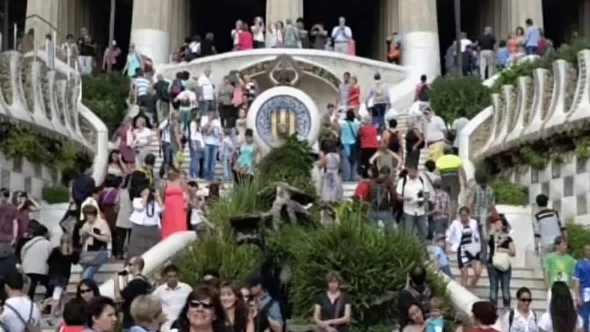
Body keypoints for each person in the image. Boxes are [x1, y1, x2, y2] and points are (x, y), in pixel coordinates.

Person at [447, 207, 482, 289]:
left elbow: (476, 235)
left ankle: (470, 286)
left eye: (465, 215)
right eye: (462, 216)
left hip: (473, 248)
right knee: (464, 274)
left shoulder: (474, 222)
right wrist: (448, 245)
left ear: (468, 215)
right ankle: (464, 291)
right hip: (462, 249)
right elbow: (449, 233)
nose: (464, 218)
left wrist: (478, 247)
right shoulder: (455, 223)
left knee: (477, 272)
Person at [116, 257, 153, 330]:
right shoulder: (144, 281)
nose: (128, 267)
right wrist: (125, 281)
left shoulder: (135, 283)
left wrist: (116, 280)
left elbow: (118, 297)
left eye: (130, 264)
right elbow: (128, 295)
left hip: (131, 322)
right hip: (140, 321)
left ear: (137, 266)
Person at [152, 264, 193, 331]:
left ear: (178, 276)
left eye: (175, 276)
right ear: (165, 277)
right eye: (169, 276)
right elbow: (150, 305)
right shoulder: (159, 291)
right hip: (167, 325)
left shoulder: (187, 288)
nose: (172, 278)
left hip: (184, 323)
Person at [487, 217, 516, 309]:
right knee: (493, 288)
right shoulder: (491, 237)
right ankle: (493, 308)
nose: (497, 225)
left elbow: (513, 252)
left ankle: (507, 308)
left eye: (499, 223)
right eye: (496, 223)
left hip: (505, 265)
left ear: (503, 226)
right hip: (492, 265)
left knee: (505, 289)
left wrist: (503, 249)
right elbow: (485, 237)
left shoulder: (508, 238)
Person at [20, 223, 53, 300]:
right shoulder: (48, 244)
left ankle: (29, 302)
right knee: (50, 286)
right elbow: (51, 258)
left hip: (27, 270)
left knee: (30, 287)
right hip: (41, 271)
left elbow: (22, 256)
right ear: (45, 234)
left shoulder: (27, 244)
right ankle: (46, 302)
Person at [128, 187, 163, 258]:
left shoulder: (155, 203)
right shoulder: (137, 200)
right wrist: (146, 195)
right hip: (139, 229)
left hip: (153, 230)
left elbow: (162, 209)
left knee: (153, 251)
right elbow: (140, 207)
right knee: (135, 251)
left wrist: (157, 196)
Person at [79, 205, 111, 280]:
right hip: (87, 253)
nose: (88, 217)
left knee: (87, 274)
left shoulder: (102, 223)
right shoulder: (85, 225)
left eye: (90, 215)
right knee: (84, 274)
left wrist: (92, 234)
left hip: (99, 251)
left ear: (94, 214)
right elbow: (81, 242)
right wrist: (83, 236)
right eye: (86, 215)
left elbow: (107, 239)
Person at [543, 235, 576, 309]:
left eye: (566, 245)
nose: (565, 247)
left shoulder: (570, 260)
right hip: (553, 288)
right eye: (563, 244)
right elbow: (546, 272)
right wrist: (548, 287)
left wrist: (571, 288)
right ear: (557, 246)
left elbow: (572, 275)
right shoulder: (549, 257)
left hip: (566, 289)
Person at [396, 165, 428, 240]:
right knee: (409, 232)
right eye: (410, 171)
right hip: (408, 211)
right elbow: (398, 196)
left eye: (413, 171)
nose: (411, 173)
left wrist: (424, 197)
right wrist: (405, 198)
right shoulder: (403, 181)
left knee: (423, 232)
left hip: (420, 211)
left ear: (417, 171)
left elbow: (427, 193)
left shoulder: (422, 180)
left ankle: (421, 247)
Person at [534, 194, 566, 258]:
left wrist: (536, 247)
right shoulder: (556, 213)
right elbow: (563, 228)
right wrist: (565, 242)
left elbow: (537, 234)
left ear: (537, 203)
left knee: (546, 265)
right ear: (547, 202)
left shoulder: (537, 217)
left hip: (546, 244)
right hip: (558, 243)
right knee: (558, 264)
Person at [366, 165, 396, 231]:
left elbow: (368, 195)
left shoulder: (372, 181)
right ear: (388, 174)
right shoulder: (388, 181)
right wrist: (391, 205)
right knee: (390, 232)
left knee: (372, 232)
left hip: (373, 210)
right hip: (385, 210)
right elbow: (394, 194)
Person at [160, 169, 187, 239]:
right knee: (169, 224)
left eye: (173, 173)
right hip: (169, 208)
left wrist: (186, 203)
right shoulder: (165, 182)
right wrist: (162, 205)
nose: (171, 175)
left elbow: (186, 193)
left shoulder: (181, 182)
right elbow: (161, 195)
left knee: (179, 224)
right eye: (169, 173)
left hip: (179, 208)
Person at [573, 243, 590, 332]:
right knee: (583, 318)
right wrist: (577, 296)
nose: (589, 252)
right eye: (587, 250)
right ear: (584, 251)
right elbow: (576, 281)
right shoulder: (580, 264)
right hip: (584, 294)